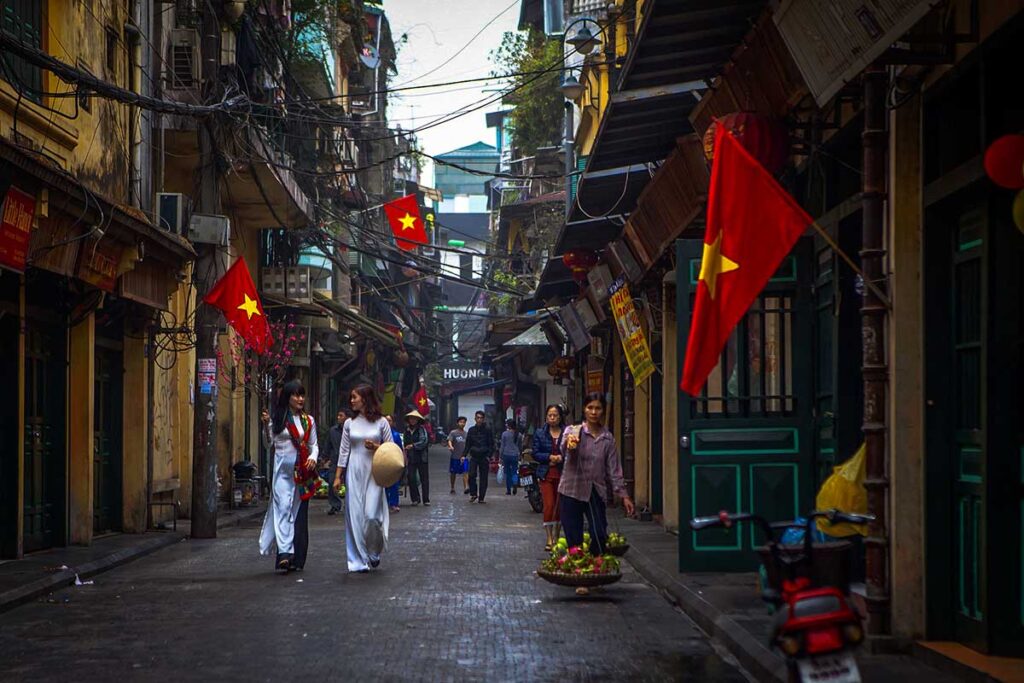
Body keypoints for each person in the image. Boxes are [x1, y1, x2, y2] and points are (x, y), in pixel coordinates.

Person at [560, 392, 635, 595]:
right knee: (573, 536)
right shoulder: (572, 431)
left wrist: (624, 495)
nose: (594, 412)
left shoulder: (607, 438)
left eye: (598, 408)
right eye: (590, 408)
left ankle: (594, 569)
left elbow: (614, 469)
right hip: (571, 489)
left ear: (602, 411)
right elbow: (564, 452)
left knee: (599, 533)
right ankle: (580, 579)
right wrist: (570, 443)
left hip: (595, 491)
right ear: (584, 410)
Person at [258, 380, 319, 573]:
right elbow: (269, 444)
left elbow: (313, 445)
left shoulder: (308, 420)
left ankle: (290, 553)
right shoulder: (277, 419)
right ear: (288, 397)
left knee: (293, 512)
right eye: (296, 395)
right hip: (281, 472)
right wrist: (266, 425)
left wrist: (313, 458)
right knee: (283, 508)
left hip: (300, 473)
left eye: (302, 395)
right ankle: (285, 552)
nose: (300, 399)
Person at [333, 384, 394, 573]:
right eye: (351, 397)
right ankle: (358, 560)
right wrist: (337, 476)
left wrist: (376, 446)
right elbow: (344, 451)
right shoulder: (349, 424)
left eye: (355, 397)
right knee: (355, 516)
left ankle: (374, 551)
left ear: (365, 399)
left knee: (371, 516)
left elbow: (391, 448)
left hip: (375, 470)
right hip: (354, 470)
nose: (351, 401)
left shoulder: (381, 422)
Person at [533, 404, 565, 551]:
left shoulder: (566, 433)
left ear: (560, 417)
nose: (552, 418)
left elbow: (572, 451)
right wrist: (549, 457)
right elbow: (535, 452)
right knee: (549, 505)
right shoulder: (540, 433)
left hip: (563, 474)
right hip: (546, 474)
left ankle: (557, 537)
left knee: (560, 507)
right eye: (550, 415)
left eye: (555, 415)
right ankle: (549, 537)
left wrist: (561, 457)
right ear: (546, 417)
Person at [323, 409, 349, 515]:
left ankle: (350, 505)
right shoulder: (333, 431)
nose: (338, 417)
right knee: (332, 482)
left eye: (341, 415)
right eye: (338, 415)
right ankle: (335, 504)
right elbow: (328, 444)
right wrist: (324, 457)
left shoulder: (350, 430)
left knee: (350, 483)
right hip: (335, 460)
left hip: (348, 461)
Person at [465, 411, 493, 503]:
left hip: (484, 456)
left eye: (481, 418)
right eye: (478, 417)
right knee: (471, 475)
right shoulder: (471, 430)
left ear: (483, 419)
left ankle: (481, 497)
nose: (479, 419)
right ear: (475, 419)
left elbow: (491, 443)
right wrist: (463, 455)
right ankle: (473, 493)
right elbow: (468, 444)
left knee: (483, 478)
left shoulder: (487, 430)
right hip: (474, 456)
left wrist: (489, 455)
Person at [404, 410, 430, 506]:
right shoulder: (406, 430)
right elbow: (405, 442)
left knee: (424, 479)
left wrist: (413, 446)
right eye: (411, 418)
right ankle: (415, 498)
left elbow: (424, 441)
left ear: (418, 420)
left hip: (422, 458)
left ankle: (426, 499)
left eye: (414, 419)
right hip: (411, 458)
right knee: (411, 478)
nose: (412, 420)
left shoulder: (422, 430)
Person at [385, 415, 404, 513]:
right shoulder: (378, 434)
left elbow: (400, 449)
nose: (387, 422)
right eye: (385, 420)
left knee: (394, 483)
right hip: (381, 462)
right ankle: (384, 503)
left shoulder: (396, 435)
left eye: (389, 420)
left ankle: (393, 503)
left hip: (393, 461)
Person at [499, 419, 522, 496]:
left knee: (508, 473)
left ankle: (508, 490)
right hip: (515, 455)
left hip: (506, 455)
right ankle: (515, 483)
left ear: (508, 425)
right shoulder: (519, 434)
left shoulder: (504, 434)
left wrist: (500, 456)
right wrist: (520, 455)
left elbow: (502, 446)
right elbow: (520, 446)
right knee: (514, 471)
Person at [447, 416, 469, 495]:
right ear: (457, 423)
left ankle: (466, 487)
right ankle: (452, 487)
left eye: (463, 422)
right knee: (453, 473)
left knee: (465, 472)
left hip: (464, 457)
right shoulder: (453, 433)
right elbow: (449, 440)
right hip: (455, 456)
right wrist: (451, 446)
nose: (462, 424)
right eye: (461, 422)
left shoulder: (466, 434)